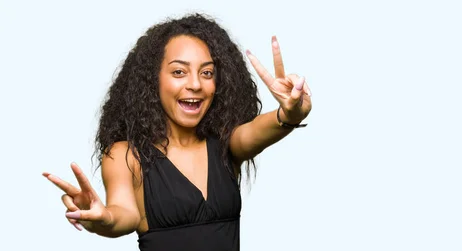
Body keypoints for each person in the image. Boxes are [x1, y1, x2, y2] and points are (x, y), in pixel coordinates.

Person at [42, 13, 312, 251]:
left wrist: (290, 113)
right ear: (153, 80)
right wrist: (102, 219)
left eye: (207, 73)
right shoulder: (126, 154)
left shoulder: (225, 145)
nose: (195, 84)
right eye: (179, 71)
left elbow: (260, 130)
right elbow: (124, 214)